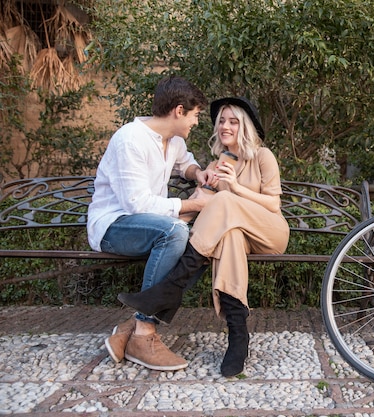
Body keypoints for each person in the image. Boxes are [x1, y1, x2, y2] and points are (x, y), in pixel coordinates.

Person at [116, 96, 290, 377]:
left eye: (233, 121)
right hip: (239, 236)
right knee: (229, 236)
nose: (225, 126)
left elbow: (273, 205)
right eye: (221, 120)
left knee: (223, 202)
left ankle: (172, 286)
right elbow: (197, 203)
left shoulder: (262, 156)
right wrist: (167, 230)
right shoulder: (217, 163)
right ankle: (238, 335)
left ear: (244, 127)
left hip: (270, 231)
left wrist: (233, 187)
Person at [87, 75, 213, 371]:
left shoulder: (174, 141)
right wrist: (194, 204)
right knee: (175, 232)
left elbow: (186, 163)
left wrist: (198, 174)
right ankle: (145, 334)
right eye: (195, 115)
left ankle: (130, 329)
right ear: (179, 111)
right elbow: (137, 205)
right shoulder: (130, 139)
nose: (196, 122)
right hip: (114, 226)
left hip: (151, 227)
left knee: (200, 250)